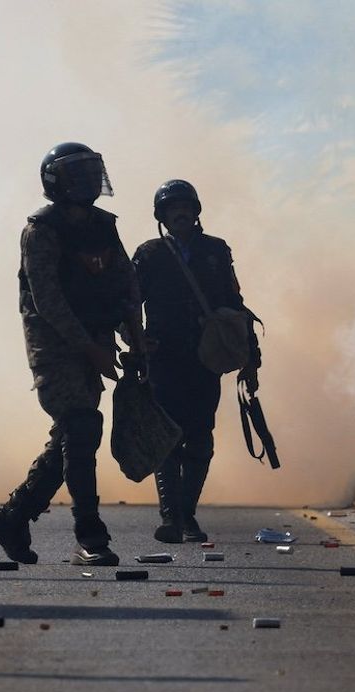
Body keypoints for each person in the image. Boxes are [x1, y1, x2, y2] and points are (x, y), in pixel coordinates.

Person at [0, 142, 148, 567]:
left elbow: (126, 284)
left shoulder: (103, 225)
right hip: (55, 346)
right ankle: (90, 537)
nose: (90, 182)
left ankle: (13, 519)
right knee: (81, 429)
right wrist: (91, 349)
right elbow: (48, 301)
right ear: (57, 183)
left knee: (72, 437)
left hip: (94, 342)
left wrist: (136, 335)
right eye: (79, 175)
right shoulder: (40, 232)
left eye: (93, 173)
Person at [131, 179, 260, 543]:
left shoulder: (215, 251)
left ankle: (187, 513)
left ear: (196, 211)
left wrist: (251, 358)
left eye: (186, 207)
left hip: (206, 358)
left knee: (200, 437)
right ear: (163, 215)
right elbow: (128, 303)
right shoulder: (149, 254)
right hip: (163, 359)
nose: (180, 213)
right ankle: (172, 517)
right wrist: (135, 343)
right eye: (173, 209)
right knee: (168, 437)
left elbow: (235, 305)